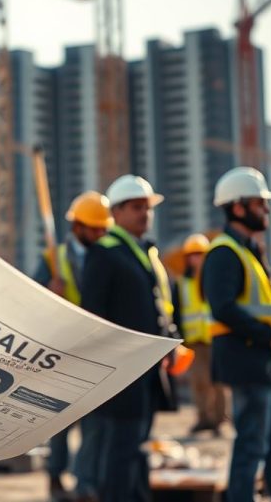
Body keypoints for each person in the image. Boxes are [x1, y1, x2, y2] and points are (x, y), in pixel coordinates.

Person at [79, 175, 176, 502]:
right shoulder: (105, 253)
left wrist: (170, 339)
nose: (144, 214)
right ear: (116, 213)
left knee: (139, 448)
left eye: (147, 208)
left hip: (147, 371)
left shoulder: (143, 252)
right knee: (121, 452)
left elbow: (158, 304)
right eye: (136, 207)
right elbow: (93, 315)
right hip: (122, 373)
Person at [202, 167, 271, 502]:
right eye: (260, 203)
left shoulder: (251, 251)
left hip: (267, 365)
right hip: (248, 364)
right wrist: (270, 337)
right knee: (252, 448)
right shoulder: (223, 252)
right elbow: (223, 307)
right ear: (238, 207)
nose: (267, 209)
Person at [32, 191, 111, 502]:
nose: (101, 234)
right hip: (61, 354)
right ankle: (55, 476)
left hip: (93, 353)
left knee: (94, 423)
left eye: (104, 228)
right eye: (96, 228)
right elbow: (32, 302)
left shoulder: (105, 257)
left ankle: (85, 483)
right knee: (60, 422)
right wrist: (49, 293)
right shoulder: (53, 259)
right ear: (78, 227)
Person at [174, 233, 228, 436]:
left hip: (215, 338)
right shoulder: (181, 283)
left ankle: (219, 420)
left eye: (201, 254)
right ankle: (203, 419)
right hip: (194, 341)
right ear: (187, 258)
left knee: (219, 382)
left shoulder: (215, 280)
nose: (197, 258)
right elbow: (177, 312)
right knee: (199, 382)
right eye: (193, 254)